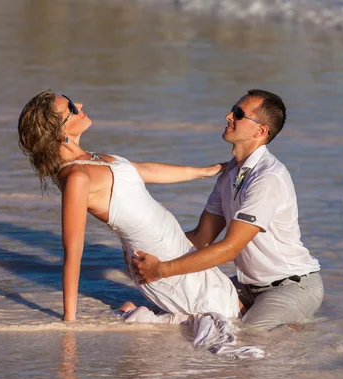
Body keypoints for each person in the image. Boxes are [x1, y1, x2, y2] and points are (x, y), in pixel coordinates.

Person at [17, 90, 240, 322]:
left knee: (227, 305)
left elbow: (144, 170)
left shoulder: (94, 158)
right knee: (221, 313)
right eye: (71, 107)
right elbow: (73, 251)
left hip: (177, 250)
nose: (79, 104)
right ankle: (138, 315)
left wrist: (204, 172)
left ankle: (138, 313)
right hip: (161, 264)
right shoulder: (76, 177)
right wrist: (69, 320)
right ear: (59, 131)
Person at [132, 89, 324, 331]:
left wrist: (161, 269)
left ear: (260, 131)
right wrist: (146, 251)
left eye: (238, 113)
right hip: (247, 286)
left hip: (292, 286)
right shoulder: (229, 174)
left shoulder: (267, 178)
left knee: (247, 335)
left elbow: (230, 249)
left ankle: (304, 342)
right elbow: (201, 238)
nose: (228, 116)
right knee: (178, 311)